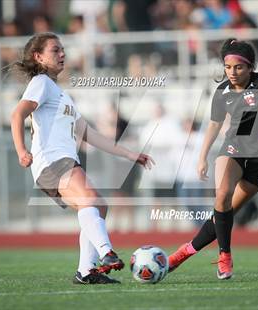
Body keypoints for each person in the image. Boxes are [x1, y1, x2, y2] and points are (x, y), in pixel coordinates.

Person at [10, 32, 154, 285]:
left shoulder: (60, 93)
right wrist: (21, 150)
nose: (62, 54)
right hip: (53, 162)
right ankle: (106, 253)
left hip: (61, 162)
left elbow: (89, 134)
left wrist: (130, 154)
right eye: (55, 50)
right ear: (38, 56)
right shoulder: (41, 82)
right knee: (91, 201)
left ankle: (86, 271)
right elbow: (17, 115)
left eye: (63, 49)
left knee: (99, 206)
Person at [168, 38, 258, 279]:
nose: (232, 72)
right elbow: (214, 124)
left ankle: (184, 252)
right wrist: (201, 157)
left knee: (224, 213)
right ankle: (225, 256)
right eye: (227, 67)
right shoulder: (222, 91)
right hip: (233, 149)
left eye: (238, 67)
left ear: (250, 67)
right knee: (221, 196)